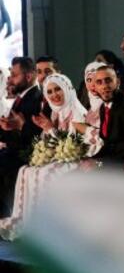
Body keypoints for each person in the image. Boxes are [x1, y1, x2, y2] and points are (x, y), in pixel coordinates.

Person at [0, 74, 87, 235]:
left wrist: (50, 129)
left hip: (75, 159)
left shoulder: (77, 112)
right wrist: (44, 146)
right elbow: (47, 141)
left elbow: (77, 144)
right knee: (26, 170)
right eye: (50, 92)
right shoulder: (55, 113)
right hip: (58, 157)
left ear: (67, 89)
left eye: (58, 89)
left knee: (46, 172)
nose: (54, 95)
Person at [75, 66, 124, 165]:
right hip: (111, 160)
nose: (104, 86)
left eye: (108, 80)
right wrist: (91, 158)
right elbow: (108, 144)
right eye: (99, 82)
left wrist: (99, 163)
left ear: (117, 82)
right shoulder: (103, 107)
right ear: (95, 87)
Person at [0, 57, 42, 216]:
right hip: (13, 150)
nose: (10, 80)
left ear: (29, 76)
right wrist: (5, 128)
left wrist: (19, 126)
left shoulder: (35, 98)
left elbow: (35, 134)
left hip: (26, 153)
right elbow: (12, 129)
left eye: (15, 75)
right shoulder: (22, 98)